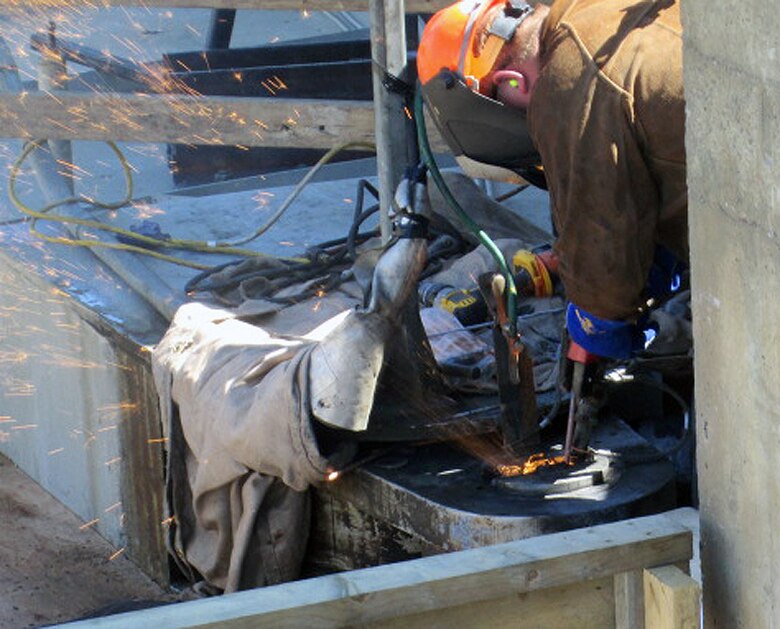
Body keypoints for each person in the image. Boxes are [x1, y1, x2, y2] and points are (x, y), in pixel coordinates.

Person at [416, 0, 687, 360]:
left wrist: (594, 327)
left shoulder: (567, 82)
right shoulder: (588, 10)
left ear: (510, 82)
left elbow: (602, 253)